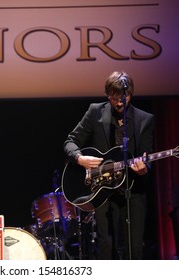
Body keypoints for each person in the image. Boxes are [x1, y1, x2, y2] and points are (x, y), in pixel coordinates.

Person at [63, 70, 154, 260]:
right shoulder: (95, 112)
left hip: (132, 189)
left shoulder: (144, 120)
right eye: (114, 98)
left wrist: (144, 170)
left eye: (124, 97)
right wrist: (80, 158)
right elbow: (70, 141)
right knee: (106, 245)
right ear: (108, 95)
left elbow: (147, 158)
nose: (120, 103)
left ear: (131, 94)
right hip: (103, 192)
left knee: (135, 247)